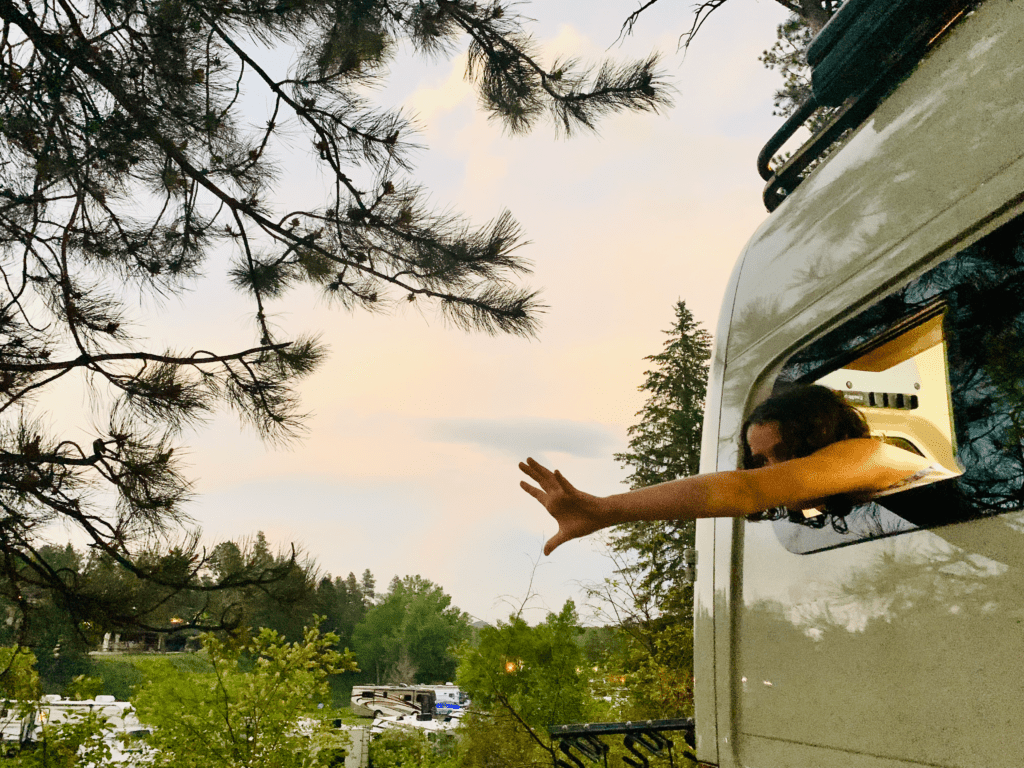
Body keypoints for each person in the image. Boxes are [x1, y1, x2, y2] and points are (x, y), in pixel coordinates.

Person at [520, 385, 957, 555]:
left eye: (786, 452)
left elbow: (747, 492)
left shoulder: (872, 455)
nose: (771, 472)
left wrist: (604, 510)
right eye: (760, 461)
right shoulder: (847, 503)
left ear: (822, 435)